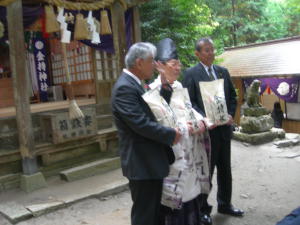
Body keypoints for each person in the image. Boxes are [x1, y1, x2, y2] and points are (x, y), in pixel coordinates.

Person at [111, 42, 181, 225]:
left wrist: (164, 87)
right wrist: (170, 134)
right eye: (151, 61)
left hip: (149, 159)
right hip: (141, 161)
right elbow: (140, 124)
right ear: (139, 62)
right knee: (144, 214)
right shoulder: (124, 88)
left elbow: (154, 111)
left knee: (154, 211)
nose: (155, 65)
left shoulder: (137, 84)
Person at [143, 38, 211, 225]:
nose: (178, 68)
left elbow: (190, 110)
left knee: (191, 197)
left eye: (179, 64)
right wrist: (185, 128)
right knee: (174, 201)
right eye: (174, 64)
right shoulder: (152, 92)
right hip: (172, 154)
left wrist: (203, 121)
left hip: (190, 151)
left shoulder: (180, 87)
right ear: (160, 66)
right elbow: (161, 124)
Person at [183, 37, 244, 225]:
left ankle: (225, 203)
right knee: (206, 172)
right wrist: (205, 118)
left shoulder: (222, 72)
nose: (211, 53)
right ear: (197, 53)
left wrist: (230, 114)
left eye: (212, 49)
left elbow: (233, 97)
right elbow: (189, 102)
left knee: (225, 169)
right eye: (206, 50)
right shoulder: (191, 74)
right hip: (206, 132)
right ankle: (203, 210)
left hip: (224, 130)